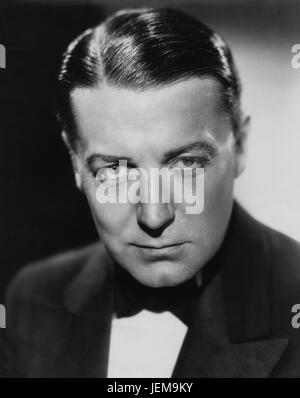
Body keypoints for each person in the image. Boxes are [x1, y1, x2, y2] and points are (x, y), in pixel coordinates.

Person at [3, 7, 300, 378]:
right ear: (77, 164)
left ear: (240, 145)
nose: (154, 216)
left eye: (186, 164)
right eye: (115, 170)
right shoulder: (33, 297)